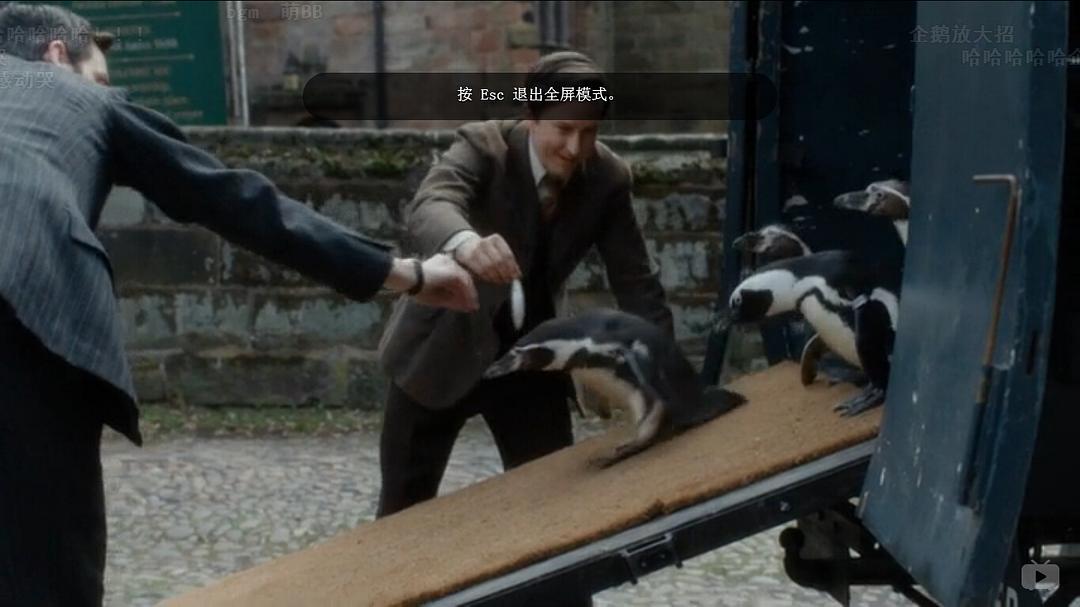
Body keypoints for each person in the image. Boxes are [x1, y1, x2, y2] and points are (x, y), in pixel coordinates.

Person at [0, 4, 477, 606]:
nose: (104, 88)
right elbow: (231, 198)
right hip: (22, 314)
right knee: (47, 565)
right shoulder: (82, 100)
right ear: (55, 55)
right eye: (99, 76)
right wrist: (405, 273)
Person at [376, 51, 674, 521]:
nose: (575, 148)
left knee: (552, 518)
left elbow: (637, 283)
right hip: (437, 352)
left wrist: (666, 376)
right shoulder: (483, 145)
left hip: (530, 363)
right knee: (400, 516)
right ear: (531, 117)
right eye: (564, 129)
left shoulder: (608, 179)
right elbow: (432, 203)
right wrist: (466, 244)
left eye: (589, 132)